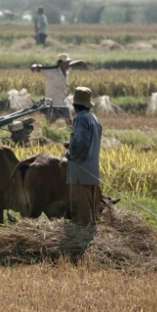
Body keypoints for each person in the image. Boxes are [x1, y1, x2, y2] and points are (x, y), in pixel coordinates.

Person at [65, 87, 103, 225]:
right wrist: (71, 144)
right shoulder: (94, 119)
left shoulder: (80, 119)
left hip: (80, 172)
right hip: (92, 171)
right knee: (91, 209)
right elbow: (89, 141)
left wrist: (69, 153)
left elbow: (81, 142)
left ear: (74, 105)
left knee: (80, 209)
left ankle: (81, 239)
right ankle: (90, 237)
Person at [30, 53, 89, 122]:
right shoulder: (51, 72)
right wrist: (35, 66)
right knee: (48, 123)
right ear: (60, 63)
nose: (68, 64)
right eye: (66, 63)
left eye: (68, 62)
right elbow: (40, 69)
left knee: (69, 121)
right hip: (52, 104)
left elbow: (72, 64)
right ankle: (46, 132)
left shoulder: (67, 70)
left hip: (62, 102)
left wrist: (80, 62)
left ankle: (73, 132)